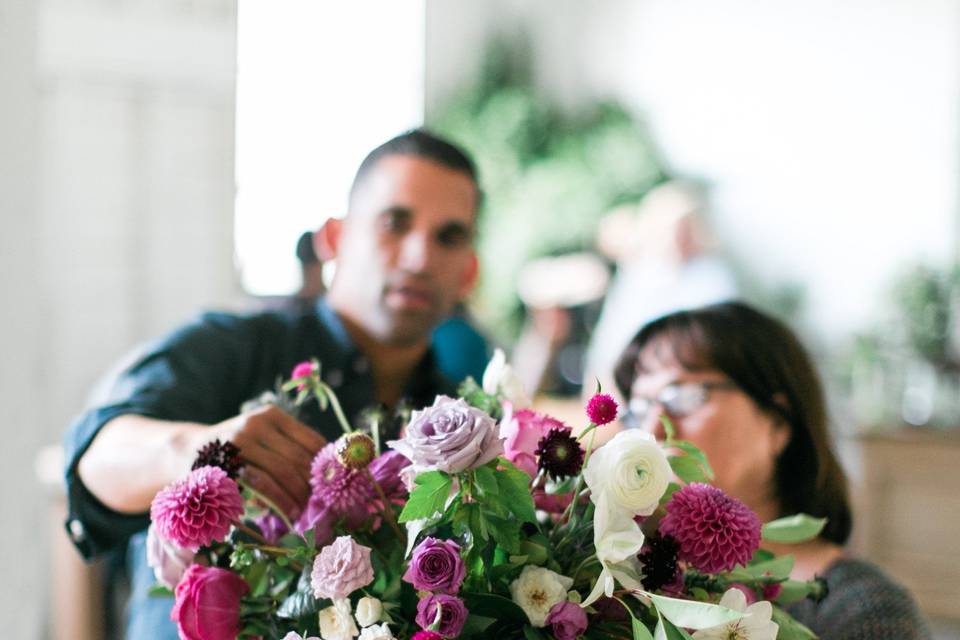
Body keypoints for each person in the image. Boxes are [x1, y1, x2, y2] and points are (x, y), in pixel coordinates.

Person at [62, 129, 481, 639]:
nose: (419, 257)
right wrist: (189, 449)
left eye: (449, 237)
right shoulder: (234, 347)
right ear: (335, 237)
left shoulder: (468, 427)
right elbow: (92, 460)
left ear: (468, 272)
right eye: (395, 222)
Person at [613, 301, 932, 639]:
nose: (653, 427)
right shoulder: (613, 581)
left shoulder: (863, 610)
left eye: (682, 395)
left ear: (777, 422)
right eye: (639, 408)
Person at [584, 180, 737, 401]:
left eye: (684, 228)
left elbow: (719, 335)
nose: (678, 236)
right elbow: (611, 341)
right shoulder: (639, 277)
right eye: (672, 228)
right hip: (638, 382)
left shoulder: (713, 275)